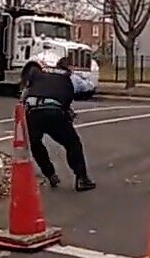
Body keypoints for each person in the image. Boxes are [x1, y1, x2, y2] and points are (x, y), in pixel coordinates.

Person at [21, 63, 96, 192]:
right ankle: (81, 178)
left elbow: (24, 97)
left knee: (36, 143)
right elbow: (87, 87)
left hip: (33, 111)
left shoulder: (38, 77)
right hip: (54, 111)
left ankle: (50, 174)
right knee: (72, 143)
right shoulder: (70, 77)